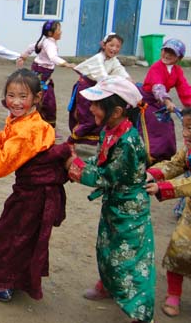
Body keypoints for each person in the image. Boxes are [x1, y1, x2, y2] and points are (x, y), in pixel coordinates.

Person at [0, 69, 71, 301]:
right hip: (31, 190)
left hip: (35, 194)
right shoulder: (23, 120)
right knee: (18, 234)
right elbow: (6, 141)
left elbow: (3, 162)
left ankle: (4, 284)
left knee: (16, 237)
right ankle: (13, 279)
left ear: (37, 98)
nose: (16, 102)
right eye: (11, 95)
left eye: (23, 96)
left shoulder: (29, 129)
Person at [68, 76, 154, 323]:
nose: (91, 108)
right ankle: (107, 287)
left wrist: (73, 167)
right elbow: (100, 161)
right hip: (114, 205)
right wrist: (81, 164)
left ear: (116, 111)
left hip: (130, 210)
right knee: (106, 248)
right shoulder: (110, 130)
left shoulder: (128, 141)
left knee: (132, 261)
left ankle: (141, 313)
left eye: (97, 104)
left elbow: (106, 176)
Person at [145, 107, 191, 318]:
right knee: (179, 246)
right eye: (185, 127)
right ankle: (174, 293)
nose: (186, 134)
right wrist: (152, 174)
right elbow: (176, 164)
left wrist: (162, 188)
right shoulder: (188, 150)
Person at [68, 33, 131, 146]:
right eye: (111, 45)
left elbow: (121, 71)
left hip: (98, 88)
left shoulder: (113, 60)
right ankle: (70, 142)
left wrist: (130, 83)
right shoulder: (98, 59)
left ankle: (100, 144)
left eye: (117, 46)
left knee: (100, 117)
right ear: (103, 45)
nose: (114, 49)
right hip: (86, 90)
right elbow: (103, 77)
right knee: (88, 118)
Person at [140, 38, 191, 164]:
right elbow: (158, 87)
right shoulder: (156, 67)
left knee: (168, 130)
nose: (167, 55)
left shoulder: (177, 71)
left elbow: (184, 90)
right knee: (155, 129)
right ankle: (151, 160)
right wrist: (167, 101)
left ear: (179, 58)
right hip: (148, 103)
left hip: (161, 105)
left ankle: (166, 161)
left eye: (172, 53)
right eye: (165, 51)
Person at [23, 20, 75, 129]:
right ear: (51, 33)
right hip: (42, 76)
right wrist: (67, 64)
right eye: (58, 30)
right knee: (46, 102)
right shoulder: (49, 43)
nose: (61, 32)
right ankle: (43, 127)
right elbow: (53, 57)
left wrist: (24, 56)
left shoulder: (46, 41)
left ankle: (37, 125)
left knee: (39, 99)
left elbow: (32, 46)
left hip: (41, 75)